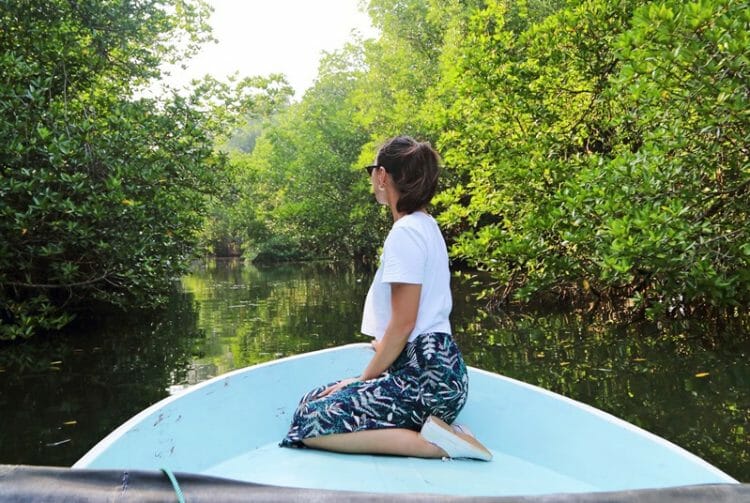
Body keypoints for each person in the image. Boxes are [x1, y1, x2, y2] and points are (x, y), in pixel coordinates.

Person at [280, 136, 491, 460]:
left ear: (382, 175)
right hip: (441, 373)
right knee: (314, 398)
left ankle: (442, 445)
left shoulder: (404, 233)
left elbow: (404, 323)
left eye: (371, 172)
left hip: (426, 379)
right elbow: (418, 322)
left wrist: (361, 380)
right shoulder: (427, 227)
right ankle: (440, 432)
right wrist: (378, 363)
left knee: (309, 421)